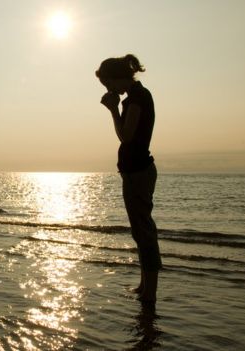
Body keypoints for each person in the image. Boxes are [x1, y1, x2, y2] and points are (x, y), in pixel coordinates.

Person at [96, 54, 161, 304]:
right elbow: (125, 136)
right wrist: (115, 109)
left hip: (139, 172)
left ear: (118, 77)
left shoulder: (136, 98)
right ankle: (145, 287)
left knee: (144, 233)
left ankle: (150, 293)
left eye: (109, 84)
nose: (110, 89)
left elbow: (126, 136)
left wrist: (112, 109)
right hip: (134, 172)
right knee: (140, 231)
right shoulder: (135, 97)